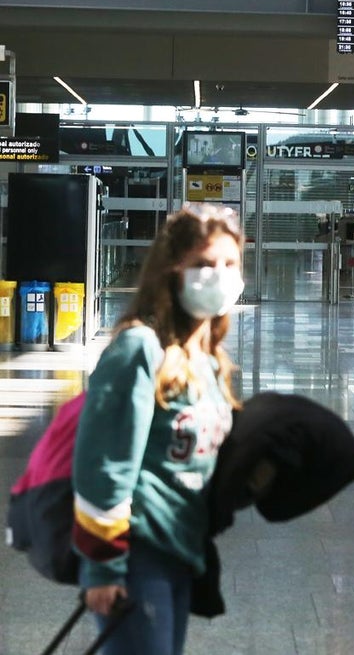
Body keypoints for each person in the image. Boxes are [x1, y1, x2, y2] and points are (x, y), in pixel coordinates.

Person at [72, 203, 245, 655]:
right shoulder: (139, 349)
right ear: (172, 269)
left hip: (180, 551)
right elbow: (103, 463)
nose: (220, 276)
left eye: (230, 264)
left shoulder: (206, 361)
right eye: (204, 264)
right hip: (136, 553)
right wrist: (103, 568)